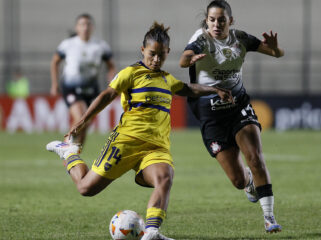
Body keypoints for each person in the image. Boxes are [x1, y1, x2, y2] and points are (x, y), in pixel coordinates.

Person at [46, 22, 232, 240]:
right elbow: (107, 95)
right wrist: (84, 120)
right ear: (143, 50)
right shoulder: (131, 73)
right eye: (152, 54)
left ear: (167, 53)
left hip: (156, 147)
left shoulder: (166, 79)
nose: (156, 59)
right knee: (86, 189)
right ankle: (68, 152)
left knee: (165, 177)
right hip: (126, 142)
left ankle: (152, 231)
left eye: (161, 55)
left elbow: (188, 88)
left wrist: (215, 90)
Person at [179, 0, 285, 233]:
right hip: (211, 115)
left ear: (230, 21)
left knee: (255, 157)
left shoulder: (240, 39)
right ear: (207, 21)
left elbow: (278, 54)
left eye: (221, 19)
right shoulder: (201, 40)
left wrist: (275, 48)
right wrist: (191, 59)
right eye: (212, 19)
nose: (216, 24)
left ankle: (269, 217)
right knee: (237, 180)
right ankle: (249, 183)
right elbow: (183, 60)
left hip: (238, 106)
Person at [50, 13, 116, 146]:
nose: (85, 27)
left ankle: (75, 155)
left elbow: (111, 66)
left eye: (88, 24)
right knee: (81, 118)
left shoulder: (100, 46)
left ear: (92, 27)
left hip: (92, 89)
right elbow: (55, 62)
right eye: (82, 24)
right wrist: (55, 83)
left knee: (86, 123)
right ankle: (66, 150)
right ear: (77, 28)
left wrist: (112, 80)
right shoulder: (68, 45)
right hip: (71, 87)